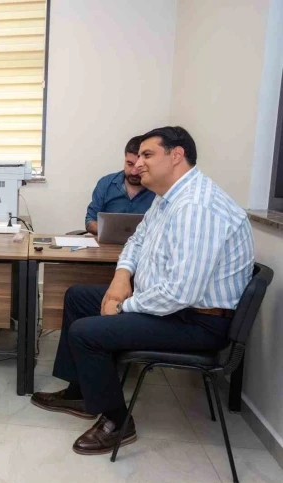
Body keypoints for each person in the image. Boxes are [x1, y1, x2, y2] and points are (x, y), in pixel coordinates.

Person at [31, 126, 254, 455]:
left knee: (86, 333)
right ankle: (80, 392)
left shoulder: (198, 207)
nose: (137, 164)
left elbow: (180, 293)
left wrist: (123, 306)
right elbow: (136, 239)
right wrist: (121, 277)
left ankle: (117, 421)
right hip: (174, 308)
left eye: (147, 155)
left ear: (176, 156)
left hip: (196, 321)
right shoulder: (168, 199)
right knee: (78, 296)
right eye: (137, 157)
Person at [84, 136, 156, 235]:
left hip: (143, 243)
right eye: (129, 164)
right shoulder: (106, 183)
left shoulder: (158, 189)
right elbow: (90, 220)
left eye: (139, 166)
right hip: (108, 243)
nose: (134, 172)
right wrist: (111, 233)